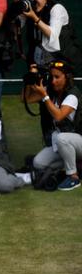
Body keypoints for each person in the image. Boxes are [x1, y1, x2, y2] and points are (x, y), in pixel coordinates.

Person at [24, 61, 82, 190]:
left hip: (78, 140)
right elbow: (26, 99)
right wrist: (31, 80)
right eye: (52, 77)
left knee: (62, 138)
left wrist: (45, 96)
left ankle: (73, 177)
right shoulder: (51, 91)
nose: (53, 81)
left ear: (66, 77)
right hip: (65, 144)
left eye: (57, 77)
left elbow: (59, 116)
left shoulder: (72, 94)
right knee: (38, 163)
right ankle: (69, 166)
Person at [18, 0, 82, 71]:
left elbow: (52, 35)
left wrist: (34, 17)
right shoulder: (31, 10)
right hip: (41, 60)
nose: (34, 2)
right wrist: (16, 9)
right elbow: (17, 27)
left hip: (64, 61)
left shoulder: (56, 9)